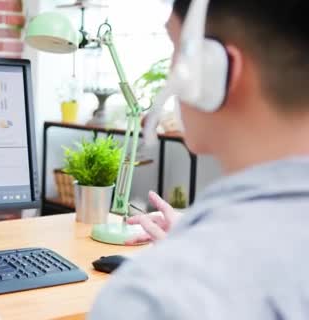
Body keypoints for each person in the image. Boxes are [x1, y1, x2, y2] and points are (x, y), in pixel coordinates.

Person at [90, 0, 309, 319]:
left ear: (216, 69)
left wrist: (195, 255)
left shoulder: (155, 297)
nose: (169, 75)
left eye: (176, 50)